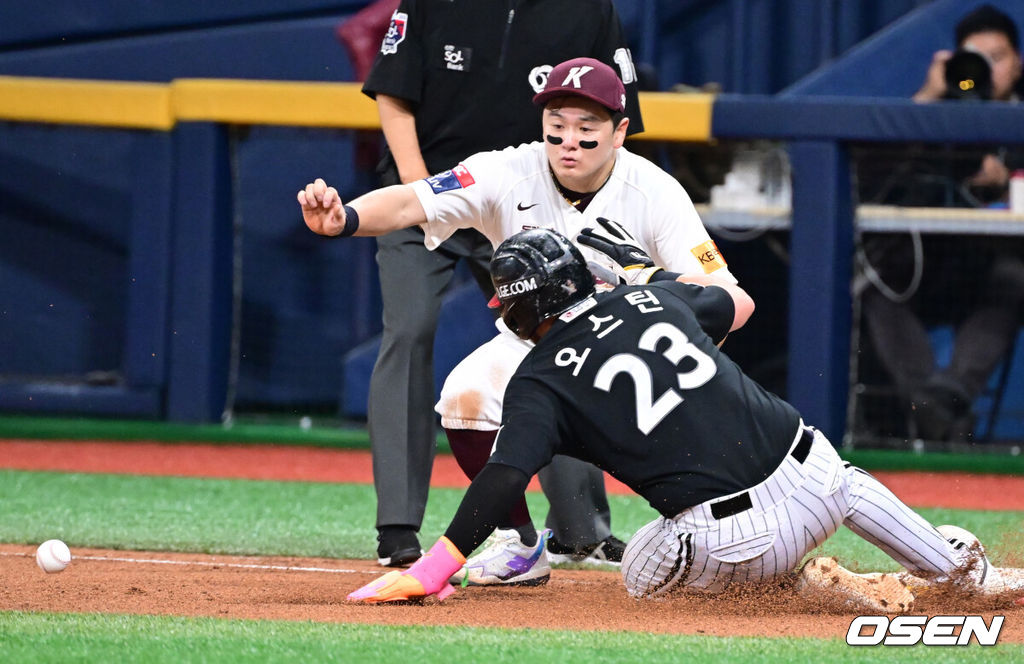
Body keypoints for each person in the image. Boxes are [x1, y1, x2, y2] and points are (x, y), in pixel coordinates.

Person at [345, 227, 1024, 607]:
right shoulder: (657, 303)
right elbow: (740, 305)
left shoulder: (536, 380)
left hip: (735, 541)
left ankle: (810, 589)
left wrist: (432, 569)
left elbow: (502, 479)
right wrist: (647, 279)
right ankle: (963, 568)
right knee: (948, 564)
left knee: (640, 572)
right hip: (822, 480)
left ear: (519, 309)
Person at [298, 57, 738, 583]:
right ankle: (519, 543)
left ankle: (726, 537)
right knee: (464, 396)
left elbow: (723, 292)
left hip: (626, 352)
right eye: (556, 128)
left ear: (621, 131)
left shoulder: (655, 189)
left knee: (702, 461)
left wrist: (638, 283)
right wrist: (344, 219)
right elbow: (411, 202)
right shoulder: (506, 170)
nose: (568, 141)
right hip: (534, 345)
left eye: (586, 129)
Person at [355, 0, 646, 567]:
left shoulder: (589, 10)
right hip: (428, 187)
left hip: (529, 200)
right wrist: (426, 193)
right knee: (409, 329)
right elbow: (392, 95)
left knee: (562, 342)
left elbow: (612, 119)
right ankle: (397, 528)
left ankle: (580, 530)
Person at [857, 3, 1024, 442]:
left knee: (1014, 281)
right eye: (975, 56)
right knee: (875, 287)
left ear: (1018, 63)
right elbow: (870, 176)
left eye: (999, 57)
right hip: (927, 268)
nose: (986, 68)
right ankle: (938, 412)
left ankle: (941, 401)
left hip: (991, 276)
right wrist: (926, 101)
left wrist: (1006, 180)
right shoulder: (936, 113)